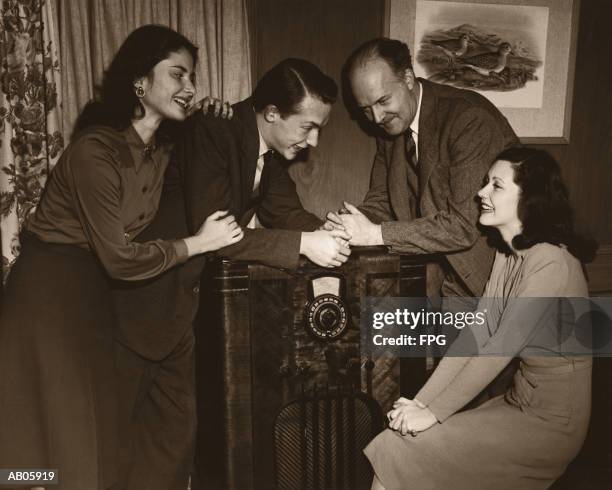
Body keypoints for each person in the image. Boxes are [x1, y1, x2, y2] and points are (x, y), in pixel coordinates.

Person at [0, 24, 240, 490]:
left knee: (91, 438)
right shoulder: (94, 150)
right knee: (44, 441)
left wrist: (211, 111)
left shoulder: (160, 150)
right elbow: (121, 259)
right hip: (47, 297)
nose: (189, 87)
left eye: (193, 78)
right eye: (177, 75)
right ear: (139, 83)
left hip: (92, 296)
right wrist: (198, 242)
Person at [364, 147, 597, 490]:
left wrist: (432, 413)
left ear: (528, 199)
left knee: (402, 447)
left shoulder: (552, 262)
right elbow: (477, 333)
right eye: (486, 182)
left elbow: (499, 348)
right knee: (400, 443)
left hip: (552, 425)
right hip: (515, 405)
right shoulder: (508, 253)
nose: (481, 193)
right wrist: (422, 401)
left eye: (496, 186)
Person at [326, 37, 519, 298]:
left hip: (499, 282)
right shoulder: (390, 131)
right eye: (366, 110)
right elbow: (381, 202)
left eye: (383, 101)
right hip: (444, 281)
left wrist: (374, 234)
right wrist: (345, 225)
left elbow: (463, 226)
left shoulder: (468, 119)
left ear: (407, 79)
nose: (377, 118)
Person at [172, 57, 352, 270]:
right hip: (161, 286)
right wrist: (304, 243)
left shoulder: (270, 154)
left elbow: (287, 214)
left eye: (318, 129)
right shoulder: (213, 129)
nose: (314, 141)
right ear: (272, 113)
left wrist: (327, 231)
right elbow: (214, 235)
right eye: (307, 127)